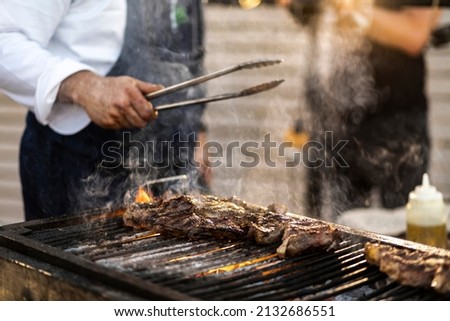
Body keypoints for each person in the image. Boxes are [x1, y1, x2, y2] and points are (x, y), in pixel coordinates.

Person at [0, 0, 207, 220]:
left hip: (174, 156)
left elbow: (191, 56)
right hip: (80, 164)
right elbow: (5, 40)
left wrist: (198, 130)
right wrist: (83, 86)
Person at [278, 0, 441, 218]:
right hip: (334, 124)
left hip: (396, 126)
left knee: (405, 226)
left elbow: (414, 34)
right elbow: (308, 17)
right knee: (344, 232)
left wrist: (351, 8)